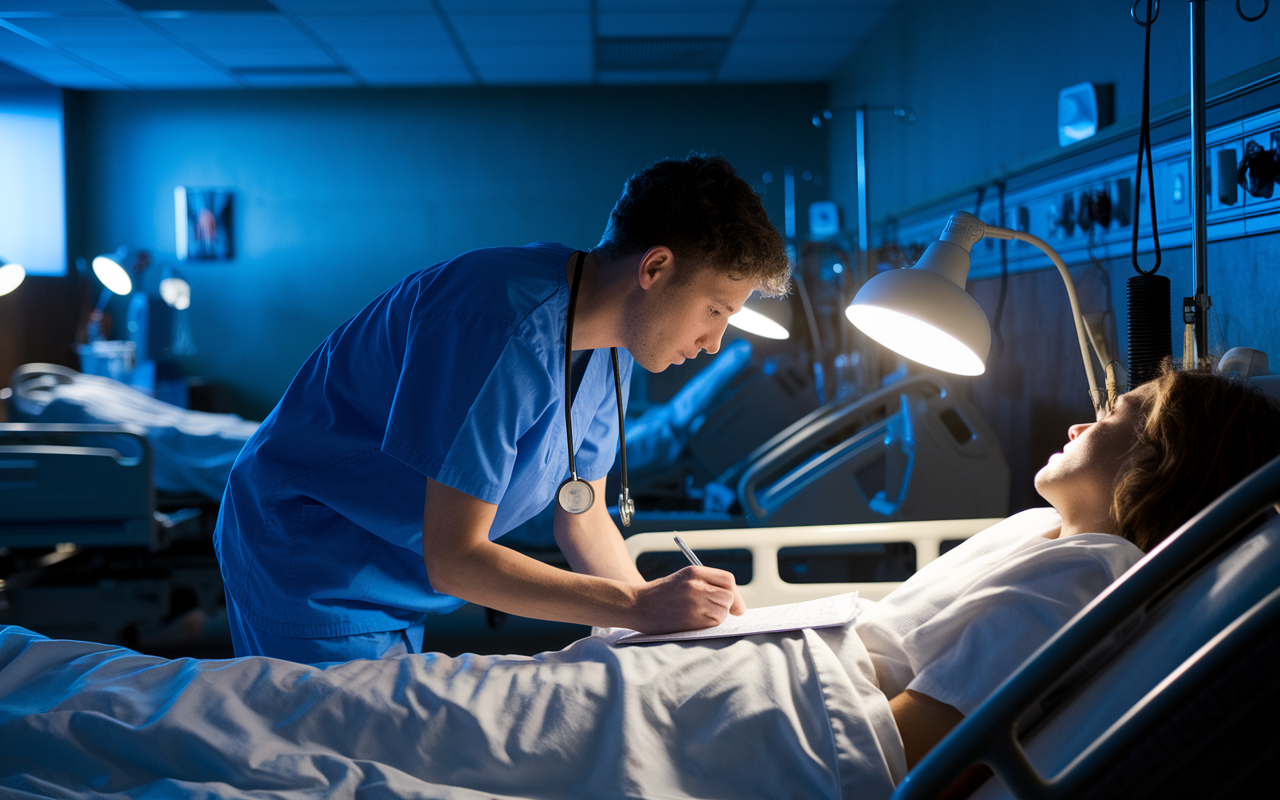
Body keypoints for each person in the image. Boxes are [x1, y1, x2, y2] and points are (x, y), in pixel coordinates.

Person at [213, 154, 791, 665]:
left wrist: (668, 624)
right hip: (309, 555)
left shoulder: (614, 347)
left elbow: (583, 516)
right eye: (716, 310)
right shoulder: (496, 322)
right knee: (335, 771)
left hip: (392, 569)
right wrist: (638, 606)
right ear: (655, 268)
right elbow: (456, 558)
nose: (715, 342)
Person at [865, 365, 1280, 776]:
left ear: (1163, 458)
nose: (1076, 428)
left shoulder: (1084, 575)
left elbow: (896, 752)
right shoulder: (1038, 526)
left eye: (1111, 414)